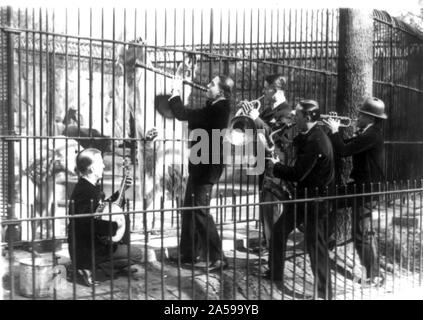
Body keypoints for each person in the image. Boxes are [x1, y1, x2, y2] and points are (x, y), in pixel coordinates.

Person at [266, 99, 335, 300]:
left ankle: (324, 294)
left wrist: (276, 166)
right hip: (303, 198)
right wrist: (276, 143)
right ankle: (275, 274)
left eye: (297, 115)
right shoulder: (308, 134)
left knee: (316, 247)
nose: (294, 118)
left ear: (308, 117)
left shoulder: (317, 141)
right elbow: (293, 144)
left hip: (315, 202)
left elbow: (297, 173)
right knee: (278, 232)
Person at [168, 75, 234, 270]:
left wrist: (175, 93)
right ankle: (188, 254)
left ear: (221, 91)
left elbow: (182, 114)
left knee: (200, 212)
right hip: (200, 167)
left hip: (206, 170)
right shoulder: (214, 107)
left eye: (212, 84)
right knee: (189, 210)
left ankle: (218, 257)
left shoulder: (218, 109)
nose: (207, 85)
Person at [323, 97, 387, 287]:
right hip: (359, 185)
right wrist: (332, 132)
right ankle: (328, 239)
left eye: (361, 114)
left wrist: (335, 130)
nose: (357, 116)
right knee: (330, 200)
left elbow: (343, 151)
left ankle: (374, 276)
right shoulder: (367, 132)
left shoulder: (372, 135)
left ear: (370, 117)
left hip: (367, 190)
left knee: (362, 233)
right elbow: (343, 145)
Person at [67, 148, 142, 286]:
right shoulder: (86, 192)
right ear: (90, 169)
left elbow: (102, 209)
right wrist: (115, 226)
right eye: (100, 163)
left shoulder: (88, 187)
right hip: (87, 251)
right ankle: (90, 270)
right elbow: (88, 224)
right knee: (137, 254)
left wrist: (121, 191)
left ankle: (92, 268)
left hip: (90, 246)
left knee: (130, 250)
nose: (103, 166)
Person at [241, 74, 293, 252]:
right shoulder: (268, 110)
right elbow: (255, 130)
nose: (263, 91)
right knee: (264, 203)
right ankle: (267, 241)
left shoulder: (286, 112)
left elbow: (275, 136)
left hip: (274, 162)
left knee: (271, 205)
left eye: (266, 88)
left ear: (276, 90)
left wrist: (256, 117)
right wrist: (247, 116)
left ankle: (273, 248)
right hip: (262, 160)